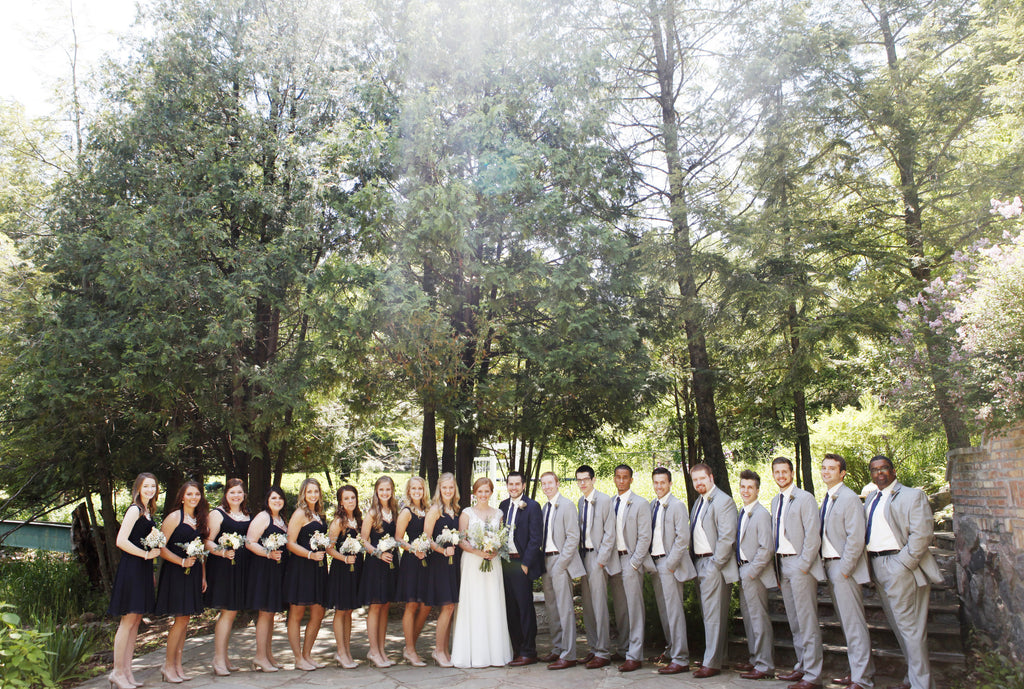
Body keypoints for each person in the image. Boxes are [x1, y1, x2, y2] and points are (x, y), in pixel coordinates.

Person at [865, 455, 942, 689]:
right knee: (899, 627)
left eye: (884, 468)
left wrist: (903, 564)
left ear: (893, 470)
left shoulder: (912, 495)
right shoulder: (871, 498)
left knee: (910, 628)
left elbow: (922, 534)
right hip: (878, 566)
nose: (880, 473)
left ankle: (922, 684)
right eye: (875, 470)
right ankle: (913, 677)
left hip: (900, 565)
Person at [771, 457, 826, 689]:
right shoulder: (775, 501)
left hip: (801, 564)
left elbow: (813, 536)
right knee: (794, 620)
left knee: (807, 620)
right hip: (782, 566)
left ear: (792, 473)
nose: (781, 476)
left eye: (785, 472)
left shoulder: (805, 498)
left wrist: (804, 565)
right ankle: (802, 666)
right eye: (777, 472)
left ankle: (813, 675)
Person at [821, 454, 874, 689]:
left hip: (844, 567)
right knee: (846, 622)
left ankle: (862, 679)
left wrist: (844, 569)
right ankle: (857, 672)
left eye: (832, 468)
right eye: (823, 468)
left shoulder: (849, 498)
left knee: (854, 624)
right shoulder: (828, 497)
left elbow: (856, 537)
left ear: (842, 473)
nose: (826, 472)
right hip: (830, 565)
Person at [450, 477, 514, 668]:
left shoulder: (499, 513)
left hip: (492, 563)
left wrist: (494, 549)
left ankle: (495, 653)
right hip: (472, 562)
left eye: (487, 491)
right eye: (480, 491)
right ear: (474, 493)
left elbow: (501, 538)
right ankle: (472, 654)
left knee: (492, 603)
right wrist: (479, 552)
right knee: (474, 603)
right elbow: (461, 540)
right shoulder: (467, 513)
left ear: (491, 492)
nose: (483, 495)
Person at [108, 473, 162, 689]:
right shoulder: (135, 510)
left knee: (136, 621)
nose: (150, 489)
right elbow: (120, 541)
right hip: (132, 568)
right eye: (146, 486)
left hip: (143, 570)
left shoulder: (149, 512)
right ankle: (117, 672)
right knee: (127, 621)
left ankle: (127, 671)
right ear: (138, 488)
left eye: (153, 486)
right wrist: (146, 555)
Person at [154, 480, 209, 683]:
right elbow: (160, 547)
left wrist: (202, 575)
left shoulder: (199, 519)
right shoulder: (173, 517)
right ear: (182, 497)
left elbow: (200, 550)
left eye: (197, 494)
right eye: (189, 494)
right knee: (179, 620)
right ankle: (167, 666)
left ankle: (177, 665)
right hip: (176, 573)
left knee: (185, 621)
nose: (193, 497)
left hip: (193, 573)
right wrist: (181, 561)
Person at [688, 462, 738, 679]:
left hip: (714, 564)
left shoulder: (723, 501)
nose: (699, 483)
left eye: (702, 479)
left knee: (714, 615)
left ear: (711, 478)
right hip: (700, 563)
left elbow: (727, 538)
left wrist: (716, 565)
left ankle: (712, 663)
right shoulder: (698, 502)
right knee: (709, 614)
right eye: (695, 480)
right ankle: (719, 658)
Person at [647, 467, 697, 675]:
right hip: (655, 565)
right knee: (664, 611)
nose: (659, 486)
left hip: (670, 565)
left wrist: (670, 564)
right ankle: (671, 650)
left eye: (663, 482)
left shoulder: (677, 505)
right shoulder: (652, 505)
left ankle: (681, 658)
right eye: (656, 482)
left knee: (674, 612)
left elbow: (682, 538)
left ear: (670, 483)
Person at [538, 472, 585, 669]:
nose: (547, 486)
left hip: (560, 559)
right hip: (546, 561)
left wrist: (562, 563)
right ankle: (557, 648)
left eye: (550, 483)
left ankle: (569, 654)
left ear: (557, 483)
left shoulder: (566, 505)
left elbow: (573, 537)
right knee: (552, 607)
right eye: (543, 484)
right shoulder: (544, 507)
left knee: (565, 608)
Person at [203, 478, 250, 676]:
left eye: (239, 493)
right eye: (232, 493)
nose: (236, 496)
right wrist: (222, 552)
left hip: (241, 568)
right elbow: (206, 541)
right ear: (226, 494)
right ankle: (218, 659)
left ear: (244, 495)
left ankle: (225, 657)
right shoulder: (217, 514)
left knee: (232, 612)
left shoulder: (247, 515)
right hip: (223, 567)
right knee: (227, 612)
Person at [608, 463, 651, 672]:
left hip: (631, 560)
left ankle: (635, 655)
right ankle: (624, 649)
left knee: (634, 609)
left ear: (631, 480)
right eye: (618, 477)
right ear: (614, 479)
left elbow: (645, 536)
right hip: (614, 561)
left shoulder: (641, 504)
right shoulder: (610, 502)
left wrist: (635, 562)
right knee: (621, 609)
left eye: (625, 477)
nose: (621, 481)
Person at [735, 470, 777, 681]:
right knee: (750, 619)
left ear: (758, 490)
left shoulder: (761, 514)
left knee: (758, 619)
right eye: (743, 486)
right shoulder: (742, 511)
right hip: (743, 570)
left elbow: (766, 548)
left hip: (755, 572)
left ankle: (765, 664)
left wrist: (751, 572)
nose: (746, 490)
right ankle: (755, 659)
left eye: (750, 487)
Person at [283, 477, 329, 671]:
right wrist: (310, 554)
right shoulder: (300, 513)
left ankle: (307, 654)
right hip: (301, 567)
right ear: (303, 493)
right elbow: (290, 543)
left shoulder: (319, 514)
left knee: (319, 611)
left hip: (318, 569)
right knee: (297, 612)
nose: (313, 495)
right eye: (309, 491)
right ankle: (297, 657)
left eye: (316, 491)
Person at [498, 471, 543, 666]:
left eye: (517, 484)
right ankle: (517, 649)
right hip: (505, 563)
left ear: (523, 485)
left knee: (525, 608)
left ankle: (529, 651)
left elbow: (536, 539)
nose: (514, 487)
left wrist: (526, 564)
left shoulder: (532, 506)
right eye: (510, 484)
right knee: (510, 608)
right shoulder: (503, 506)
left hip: (521, 564)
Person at [575, 464, 617, 669]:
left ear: (593, 480)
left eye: (585, 479)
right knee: (588, 606)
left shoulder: (605, 500)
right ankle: (593, 648)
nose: (582, 483)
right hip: (584, 558)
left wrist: (602, 560)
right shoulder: (580, 502)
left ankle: (603, 651)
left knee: (599, 606)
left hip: (598, 558)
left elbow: (610, 533)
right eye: (579, 480)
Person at [245, 486, 289, 672]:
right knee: (264, 613)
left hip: (277, 570)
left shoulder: (281, 520)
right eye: (273, 498)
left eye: (280, 498)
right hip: (264, 569)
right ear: (267, 500)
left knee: (271, 614)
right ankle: (260, 656)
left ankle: (268, 655)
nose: (277, 501)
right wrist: (267, 553)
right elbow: (249, 542)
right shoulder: (263, 517)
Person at [359, 475, 400, 667]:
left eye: (388, 489)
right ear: (377, 491)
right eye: (381, 489)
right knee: (375, 606)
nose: (385, 492)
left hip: (391, 564)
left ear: (392, 491)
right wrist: (378, 553)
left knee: (385, 606)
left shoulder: (394, 511)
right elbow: (363, 540)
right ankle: (373, 651)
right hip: (376, 564)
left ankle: (382, 650)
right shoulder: (373, 513)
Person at [423, 472, 461, 667]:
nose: (448, 490)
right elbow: (426, 538)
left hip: (453, 564)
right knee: (447, 606)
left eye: (451, 487)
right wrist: (442, 550)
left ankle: (445, 650)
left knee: (451, 607)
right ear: (439, 489)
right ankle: (438, 650)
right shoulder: (435, 510)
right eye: (444, 487)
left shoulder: (455, 509)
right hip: (439, 563)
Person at [395, 476, 432, 666]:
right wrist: (413, 549)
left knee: (426, 605)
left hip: (427, 560)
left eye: (420, 488)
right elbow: (398, 538)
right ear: (409, 491)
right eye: (413, 488)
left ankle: (410, 646)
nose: (417, 491)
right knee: (411, 605)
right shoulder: (406, 512)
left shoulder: (429, 510)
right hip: (412, 561)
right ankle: (410, 650)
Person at [326, 485, 363, 669]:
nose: (350, 501)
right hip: (342, 570)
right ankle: (340, 651)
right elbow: (329, 548)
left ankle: (346, 650)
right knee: (341, 610)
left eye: (353, 498)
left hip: (355, 570)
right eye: (346, 498)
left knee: (349, 611)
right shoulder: (338, 522)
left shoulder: (357, 519)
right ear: (341, 501)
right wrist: (345, 558)